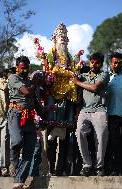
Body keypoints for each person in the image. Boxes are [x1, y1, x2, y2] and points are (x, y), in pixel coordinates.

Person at [35, 23, 82, 176]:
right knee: (50, 134)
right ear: (55, 39)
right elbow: (50, 70)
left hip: (68, 96)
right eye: (61, 37)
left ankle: (61, 169)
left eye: (65, 38)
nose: (63, 40)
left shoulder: (68, 55)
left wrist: (77, 64)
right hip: (52, 95)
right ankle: (49, 168)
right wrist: (68, 73)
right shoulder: (52, 53)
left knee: (65, 134)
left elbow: (74, 72)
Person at [71, 52, 110, 176]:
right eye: (92, 61)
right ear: (90, 62)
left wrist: (77, 82)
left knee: (101, 137)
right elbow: (71, 74)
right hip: (84, 111)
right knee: (79, 133)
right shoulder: (83, 75)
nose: (94, 64)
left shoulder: (104, 74)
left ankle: (100, 167)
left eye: (97, 62)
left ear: (101, 64)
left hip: (100, 110)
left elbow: (94, 88)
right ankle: (87, 165)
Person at [7, 56, 42, 189]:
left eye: (27, 68)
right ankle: (13, 163)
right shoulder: (13, 78)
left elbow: (34, 101)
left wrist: (46, 112)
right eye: (23, 68)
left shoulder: (30, 81)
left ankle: (18, 180)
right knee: (16, 141)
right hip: (15, 114)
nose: (25, 70)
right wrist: (35, 84)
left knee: (30, 150)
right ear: (17, 67)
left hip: (29, 116)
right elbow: (26, 92)